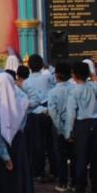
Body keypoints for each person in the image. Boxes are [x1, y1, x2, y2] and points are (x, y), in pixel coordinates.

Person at [65, 61, 97, 193]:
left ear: (74, 75)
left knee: (80, 158)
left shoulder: (73, 91)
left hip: (81, 126)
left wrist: (69, 132)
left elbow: (71, 114)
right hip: (94, 124)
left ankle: (80, 187)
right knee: (95, 159)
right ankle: (96, 187)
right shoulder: (93, 88)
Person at [22, 55, 56, 183]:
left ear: (29, 66)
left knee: (37, 145)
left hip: (33, 114)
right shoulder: (47, 78)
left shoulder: (26, 82)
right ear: (42, 65)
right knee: (50, 143)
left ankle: (38, 172)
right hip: (47, 112)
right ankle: (54, 170)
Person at [47, 62, 73, 192]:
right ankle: (75, 182)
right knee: (74, 155)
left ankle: (63, 182)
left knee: (61, 156)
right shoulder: (74, 88)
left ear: (56, 75)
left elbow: (53, 113)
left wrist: (60, 128)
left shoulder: (53, 92)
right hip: (73, 125)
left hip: (59, 126)